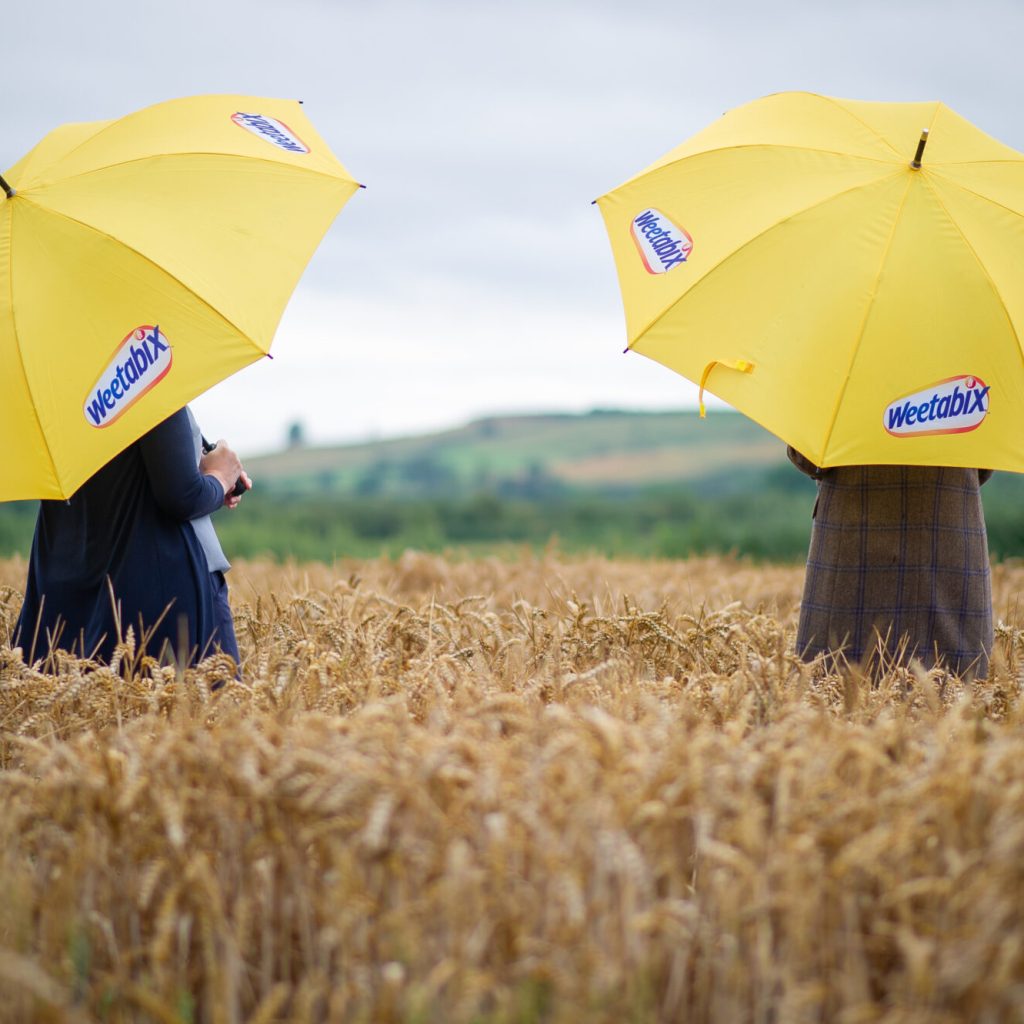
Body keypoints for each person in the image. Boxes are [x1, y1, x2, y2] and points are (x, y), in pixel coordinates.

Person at [14, 407, 249, 668]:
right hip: (159, 597)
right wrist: (219, 478)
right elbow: (182, 496)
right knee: (205, 706)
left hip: (66, 595)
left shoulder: (52, 390)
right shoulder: (146, 374)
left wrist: (206, 476)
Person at [788, 447, 993, 678]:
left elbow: (807, 456)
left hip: (852, 536)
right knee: (957, 686)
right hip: (951, 527)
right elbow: (985, 461)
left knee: (839, 688)